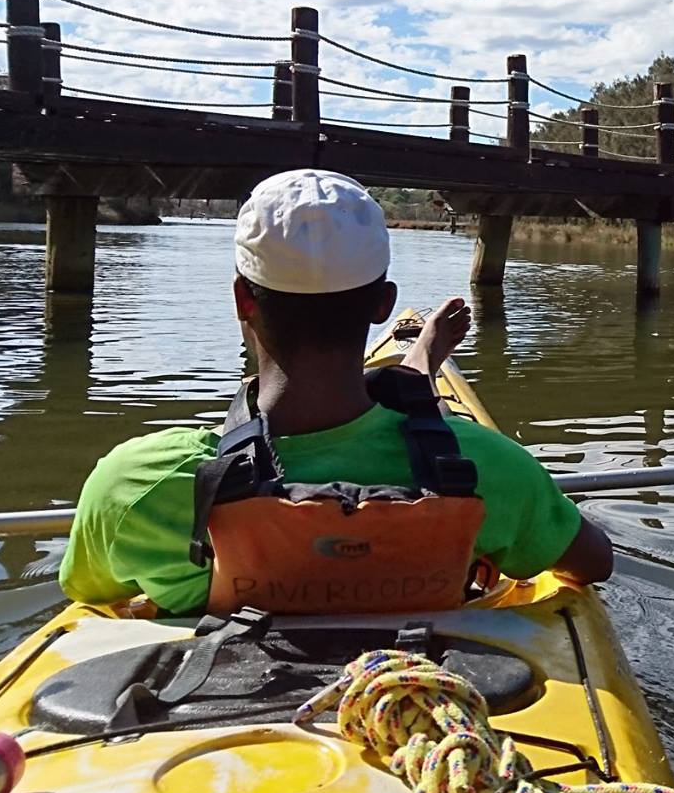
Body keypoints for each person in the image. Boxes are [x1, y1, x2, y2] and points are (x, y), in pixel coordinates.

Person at [60, 169, 613, 616]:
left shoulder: (137, 484)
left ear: (242, 301)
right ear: (383, 305)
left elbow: (89, 594)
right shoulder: (486, 468)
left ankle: (417, 367)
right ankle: (416, 369)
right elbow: (594, 562)